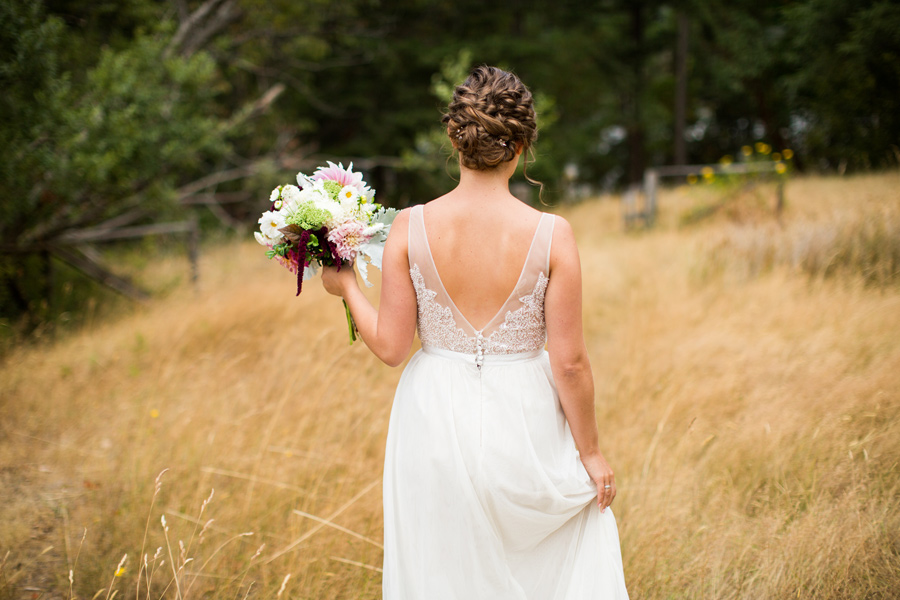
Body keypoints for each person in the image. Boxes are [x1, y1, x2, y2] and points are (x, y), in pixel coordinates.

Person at [322, 65, 628, 599]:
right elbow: (570, 363)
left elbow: (392, 348)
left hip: (432, 416)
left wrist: (346, 284)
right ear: (522, 145)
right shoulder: (553, 234)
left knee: (442, 569)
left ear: (454, 137)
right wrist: (591, 452)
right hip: (525, 417)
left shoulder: (409, 227)